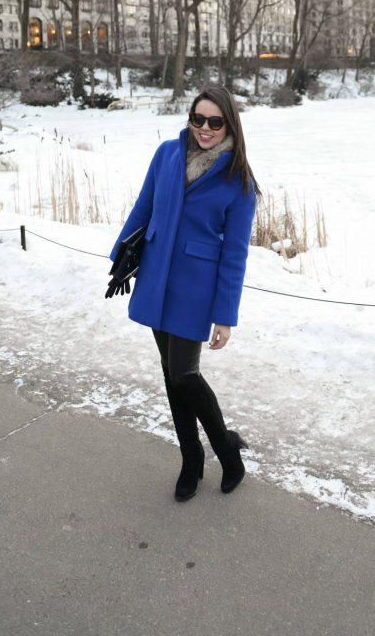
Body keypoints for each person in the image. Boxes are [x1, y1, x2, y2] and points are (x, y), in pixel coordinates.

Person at [109, 86, 258, 501]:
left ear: (229, 125)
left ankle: (226, 450)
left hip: (196, 288)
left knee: (184, 375)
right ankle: (191, 457)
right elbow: (143, 208)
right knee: (170, 373)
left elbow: (235, 255)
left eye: (215, 121)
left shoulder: (238, 182)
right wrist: (120, 257)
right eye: (198, 119)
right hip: (156, 278)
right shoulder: (167, 155)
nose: (205, 128)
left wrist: (225, 315)